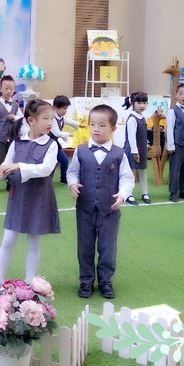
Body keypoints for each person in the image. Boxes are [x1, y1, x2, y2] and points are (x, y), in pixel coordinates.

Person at [66, 104, 134, 299]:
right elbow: (72, 172)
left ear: (113, 128)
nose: (96, 129)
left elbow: (127, 178)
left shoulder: (119, 154)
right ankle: (86, 281)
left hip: (109, 209)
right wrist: (72, 184)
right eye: (93, 124)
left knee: (107, 247)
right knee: (85, 246)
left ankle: (105, 281)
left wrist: (122, 195)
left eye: (102, 125)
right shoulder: (80, 151)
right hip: (85, 208)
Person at [0, 99, 60, 284]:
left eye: (51, 119)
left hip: (39, 197)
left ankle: (30, 283)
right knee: (8, 239)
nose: (49, 122)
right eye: (45, 118)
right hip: (18, 196)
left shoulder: (51, 144)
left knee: (34, 242)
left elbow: (46, 169)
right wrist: (2, 170)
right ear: (31, 120)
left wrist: (18, 166)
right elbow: (7, 163)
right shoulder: (17, 143)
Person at [122, 92, 150, 205]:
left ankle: (145, 193)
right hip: (133, 149)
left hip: (141, 149)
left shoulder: (142, 118)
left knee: (143, 170)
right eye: (139, 103)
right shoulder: (132, 119)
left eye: (144, 103)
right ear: (133, 103)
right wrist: (134, 151)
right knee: (131, 172)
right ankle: (129, 194)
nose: (142, 105)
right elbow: (131, 137)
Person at [51, 95, 84, 184]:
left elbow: (69, 121)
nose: (65, 111)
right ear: (55, 107)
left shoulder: (60, 117)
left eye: (66, 108)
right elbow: (56, 133)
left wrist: (79, 125)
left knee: (64, 160)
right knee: (51, 163)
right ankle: (47, 181)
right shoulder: (52, 118)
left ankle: (64, 179)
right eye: (64, 108)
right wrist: (69, 134)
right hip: (47, 144)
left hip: (54, 143)